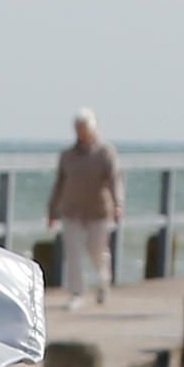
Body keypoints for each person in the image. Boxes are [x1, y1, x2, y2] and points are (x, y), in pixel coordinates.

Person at [47, 110, 121, 308]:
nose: (81, 133)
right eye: (78, 129)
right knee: (73, 254)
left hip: (98, 212)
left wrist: (118, 204)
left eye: (84, 129)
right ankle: (76, 293)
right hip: (71, 211)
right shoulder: (67, 155)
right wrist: (52, 209)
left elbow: (115, 180)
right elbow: (59, 183)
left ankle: (103, 284)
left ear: (93, 129)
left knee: (98, 253)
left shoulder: (105, 153)